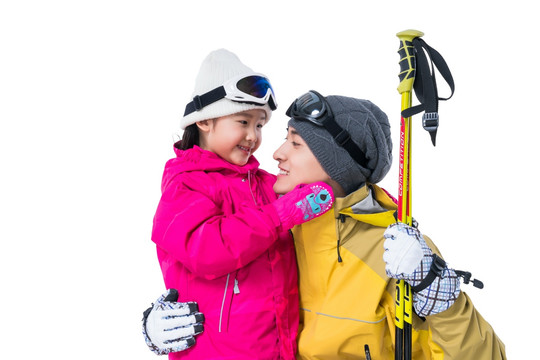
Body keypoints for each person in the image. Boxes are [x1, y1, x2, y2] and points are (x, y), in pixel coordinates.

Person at [144, 90, 506, 359]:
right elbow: (213, 258)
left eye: (296, 143)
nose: (275, 153)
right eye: (285, 138)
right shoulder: (278, 222)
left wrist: (439, 293)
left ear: (336, 165)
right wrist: (163, 325)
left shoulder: (395, 251)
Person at [143, 50, 334, 360]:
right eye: (243, 122)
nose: (252, 136)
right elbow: (207, 251)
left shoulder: (264, 184)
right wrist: (280, 215)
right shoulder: (185, 186)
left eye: (259, 125)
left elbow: (331, 192)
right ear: (204, 120)